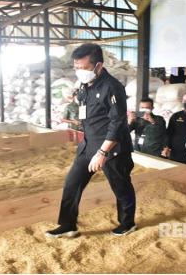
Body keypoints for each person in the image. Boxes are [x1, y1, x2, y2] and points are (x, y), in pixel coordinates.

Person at [45, 43, 136, 238]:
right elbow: (86, 106)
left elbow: (118, 122)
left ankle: (127, 223)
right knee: (72, 184)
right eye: (76, 68)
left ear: (99, 66)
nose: (79, 72)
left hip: (112, 147)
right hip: (87, 145)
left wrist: (103, 152)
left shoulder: (113, 87)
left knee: (121, 186)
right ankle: (68, 225)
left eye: (83, 68)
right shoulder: (86, 84)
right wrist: (75, 98)